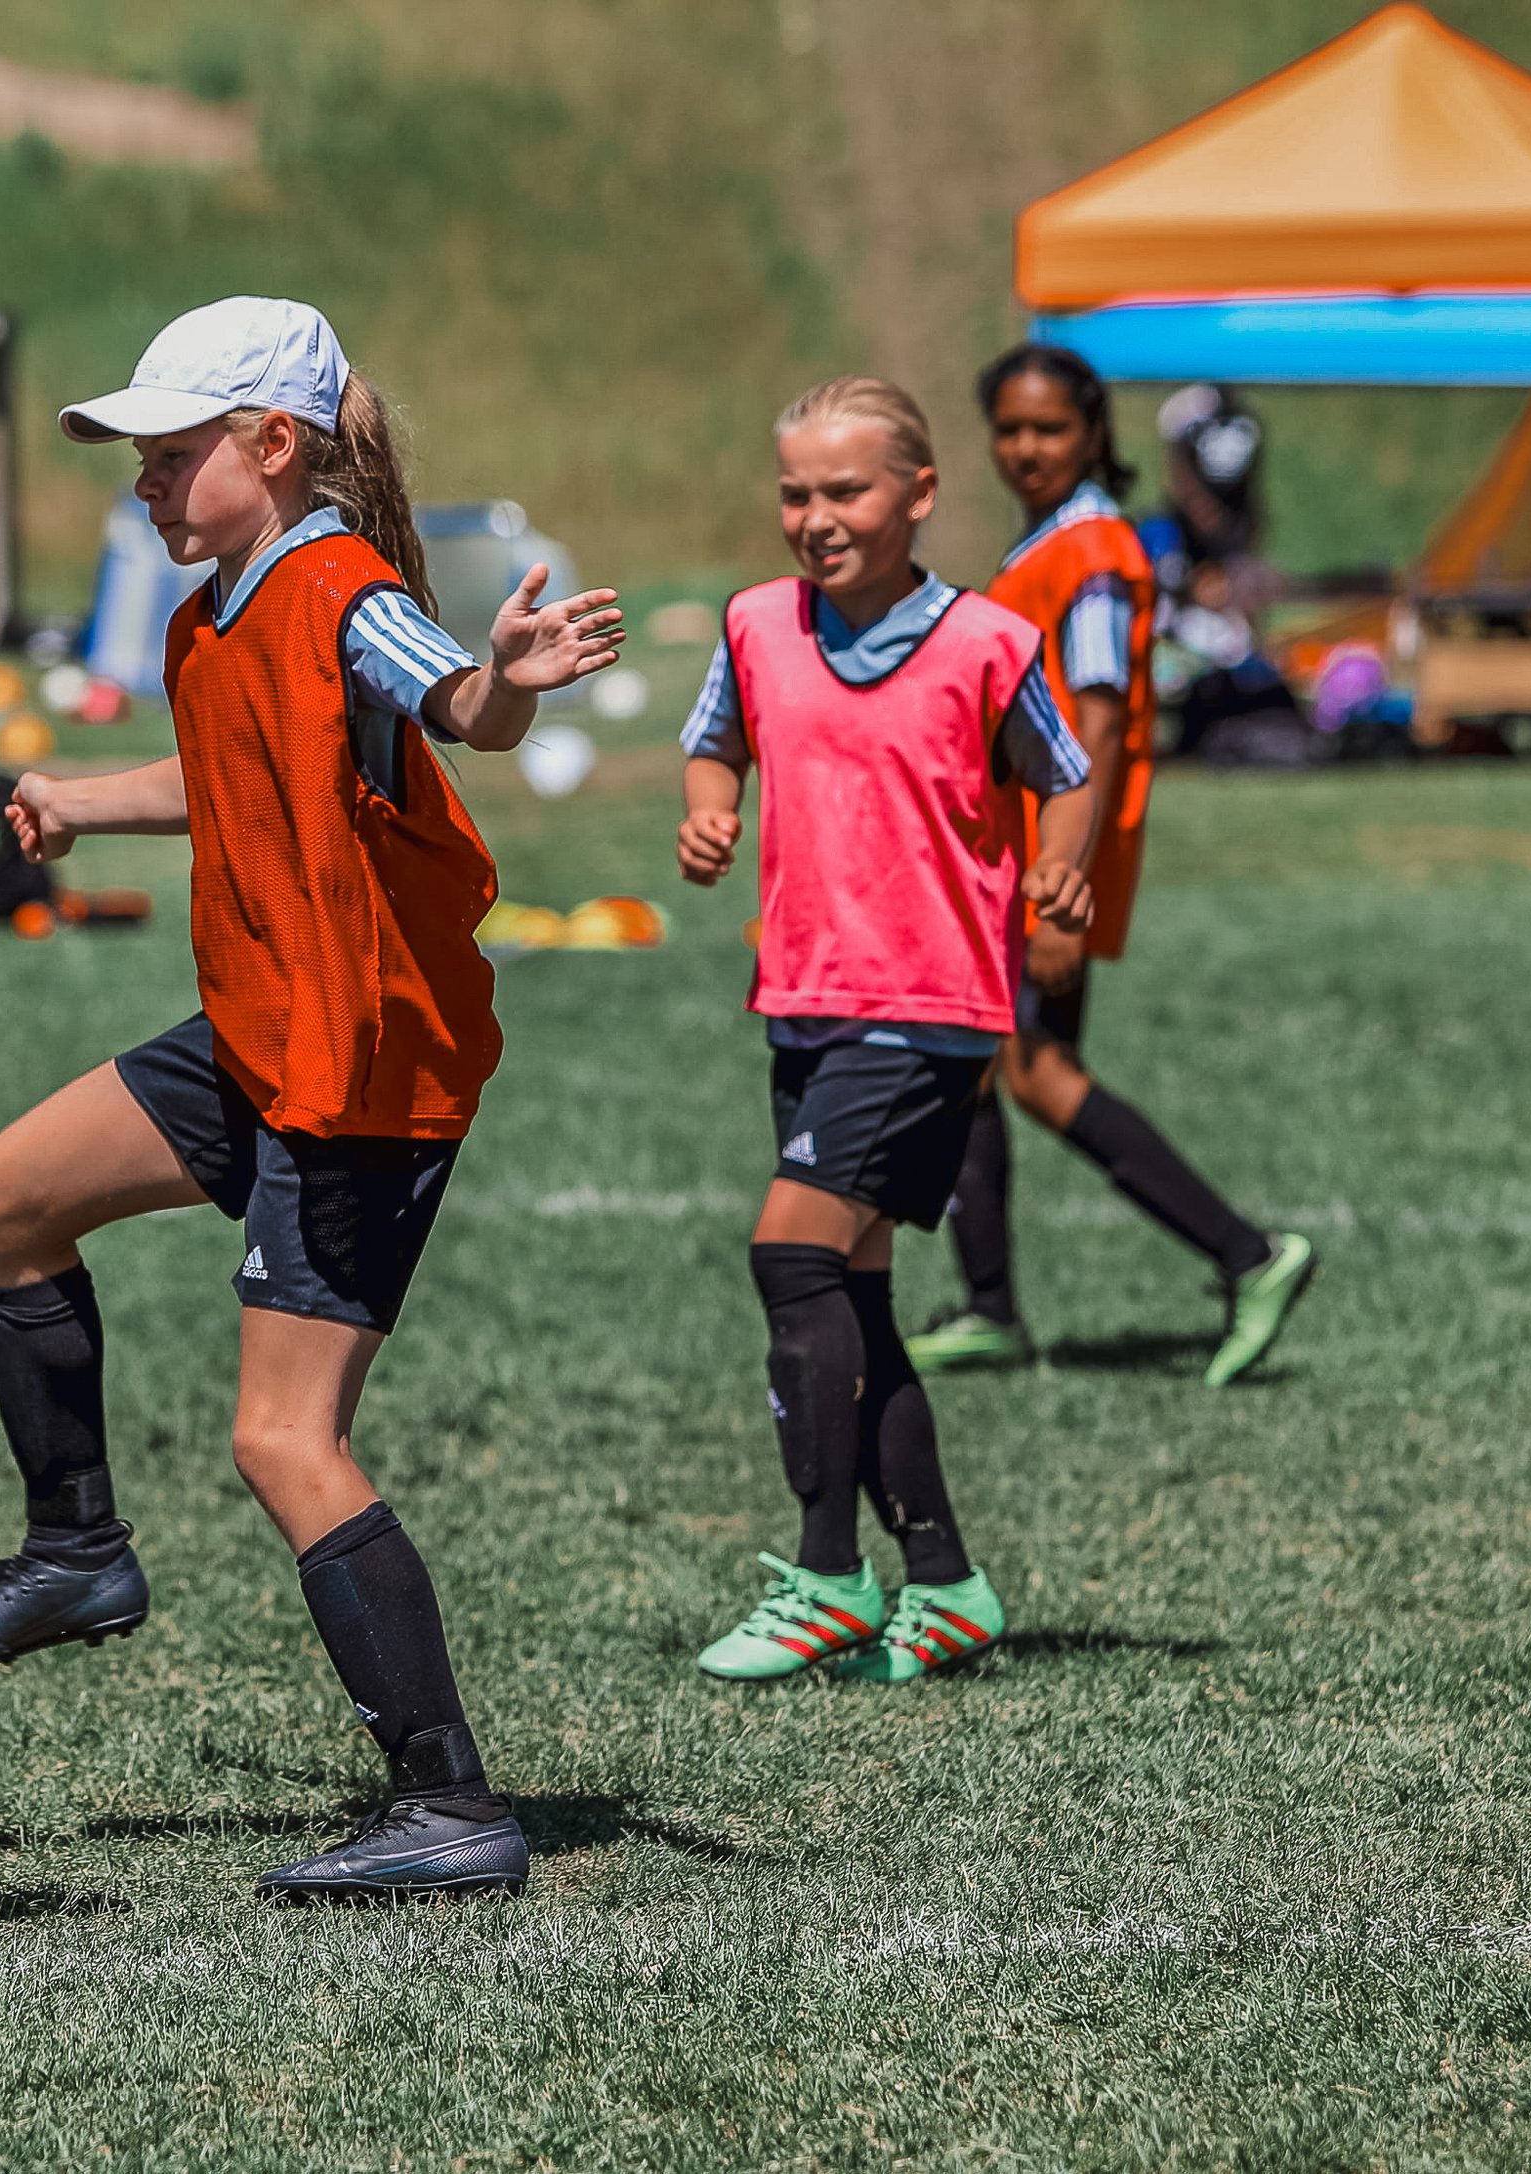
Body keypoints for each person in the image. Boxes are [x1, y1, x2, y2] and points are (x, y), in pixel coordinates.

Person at [0, 297, 623, 1899]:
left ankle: (452, 1804)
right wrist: (83, 797)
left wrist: (510, 681)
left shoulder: (340, 588)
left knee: (286, 1440)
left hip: (364, 1063)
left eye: (169, 455)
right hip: (257, 1029)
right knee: (9, 1197)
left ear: (272, 447)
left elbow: (452, 706)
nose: (145, 487)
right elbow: (234, 775)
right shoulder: (216, 607)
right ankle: (77, 1553)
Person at [675, 374, 1096, 1686]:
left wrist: (1063, 869)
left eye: (845, 491)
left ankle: (824, 1574)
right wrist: (708, 807)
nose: (816, 516)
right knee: (853, 1295)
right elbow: (718, 740)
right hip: (801, 1001)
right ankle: (948, 1580)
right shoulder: (754, 625)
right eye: (796, 492)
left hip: (931, 1013)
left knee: (789, 1251)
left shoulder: (986, 642)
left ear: (919, 494)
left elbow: (1065, 778)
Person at [904, 345, 1316, 1386]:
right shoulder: (1058, 539)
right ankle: (990, 1303)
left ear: (1093, 430)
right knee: (984, 1065)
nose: (1026, 448)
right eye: (1008, 429)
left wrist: (1057, 884)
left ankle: (1248, 1253)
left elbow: (1091, 724)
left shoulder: (1088, 551)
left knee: (1036, 1072)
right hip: (1018, 848)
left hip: (1048, 855)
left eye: (1048, 427)